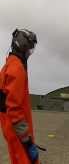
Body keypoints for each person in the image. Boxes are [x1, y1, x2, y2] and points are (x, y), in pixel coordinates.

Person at [0, 28, 39, 164]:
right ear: (22, 46)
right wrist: (27, 141)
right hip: (18, 133)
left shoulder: (7, 66)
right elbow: (14, 108)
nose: (30, 52)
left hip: (9, 129)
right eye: (30, 48)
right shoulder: (17, 69)